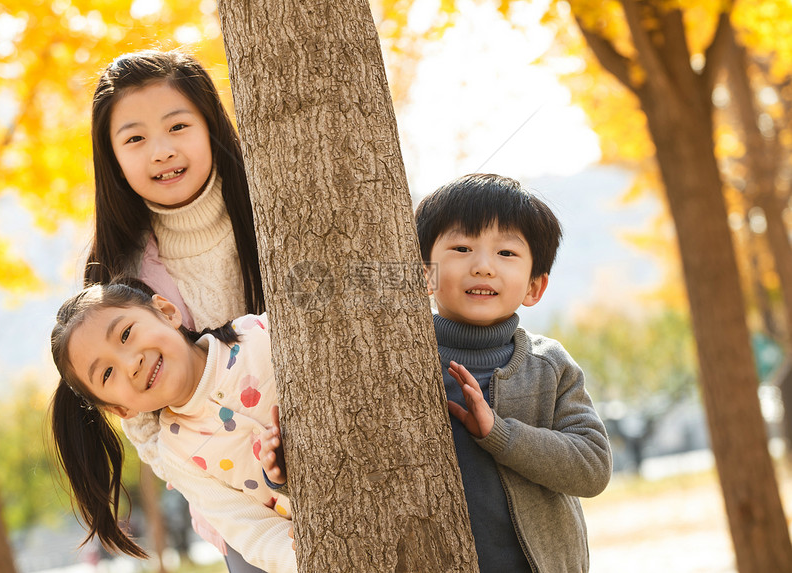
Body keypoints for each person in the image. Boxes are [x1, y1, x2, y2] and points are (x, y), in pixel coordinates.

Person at [261, 173, 613, 572]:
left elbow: (593, 467)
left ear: (535, 286)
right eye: (461, 248)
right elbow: (360, 469)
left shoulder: (548, 365)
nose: (483, 267)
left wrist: (499, 434)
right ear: (424, 273)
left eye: (507, 254)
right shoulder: (393, 361)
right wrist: (291, 471)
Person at [81, 49, 270, 572]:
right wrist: (242, 464)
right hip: (238, 496)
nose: (160, 151)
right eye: (135, 138)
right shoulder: (117, 274)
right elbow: (145, 427)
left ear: (210, 127)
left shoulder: (271, 209)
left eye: (178, 126)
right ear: (112, 157)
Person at [49, 281, 295, 573]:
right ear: (120, 410)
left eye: (126, 334)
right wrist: (305, 554)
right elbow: (251, 530)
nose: (131, 364)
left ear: (166, 312)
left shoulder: (258, 334)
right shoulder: (179, 454)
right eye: (107, 373)